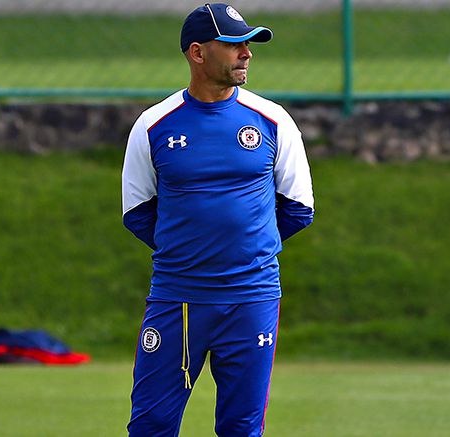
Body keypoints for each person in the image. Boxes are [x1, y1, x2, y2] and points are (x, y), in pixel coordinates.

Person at [121, 3, 314, 435]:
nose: (246, 53)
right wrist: (194, 253)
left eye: (248, 44)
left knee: (241, 427)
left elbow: (299, 207)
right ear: (197, 53)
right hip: (179, 298)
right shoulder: (153, 125)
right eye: (233, 44)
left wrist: (243, 250)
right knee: (151, 424)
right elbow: (137, 212)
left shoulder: (273, 120)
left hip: (252, 298)